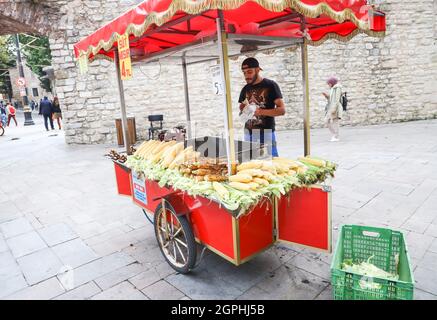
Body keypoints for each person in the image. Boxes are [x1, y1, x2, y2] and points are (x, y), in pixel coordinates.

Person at [238, 57, 285, 157]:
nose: (246, 76)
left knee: (270, 164)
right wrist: (243, 109)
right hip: (248, 133)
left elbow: (282, 110)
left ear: (258, 70)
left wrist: (260, 112)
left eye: (249, 72)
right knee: (250, 164)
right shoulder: (245, 89)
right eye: (244, 72)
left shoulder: (271, 85)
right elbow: (241, 107)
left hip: (266, 132)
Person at [323, 76, 343, 142]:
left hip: (335, 107)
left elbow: (336, 99)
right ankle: (334, 135)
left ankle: (336, 136)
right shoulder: (332, 89)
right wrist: (327, 96)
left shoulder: (337, 88)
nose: (328, 85)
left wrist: (334, 109)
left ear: (332, 82)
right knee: (326, 121)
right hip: (330, 107)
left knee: (335, 122)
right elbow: (331, 99)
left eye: (329, 83)